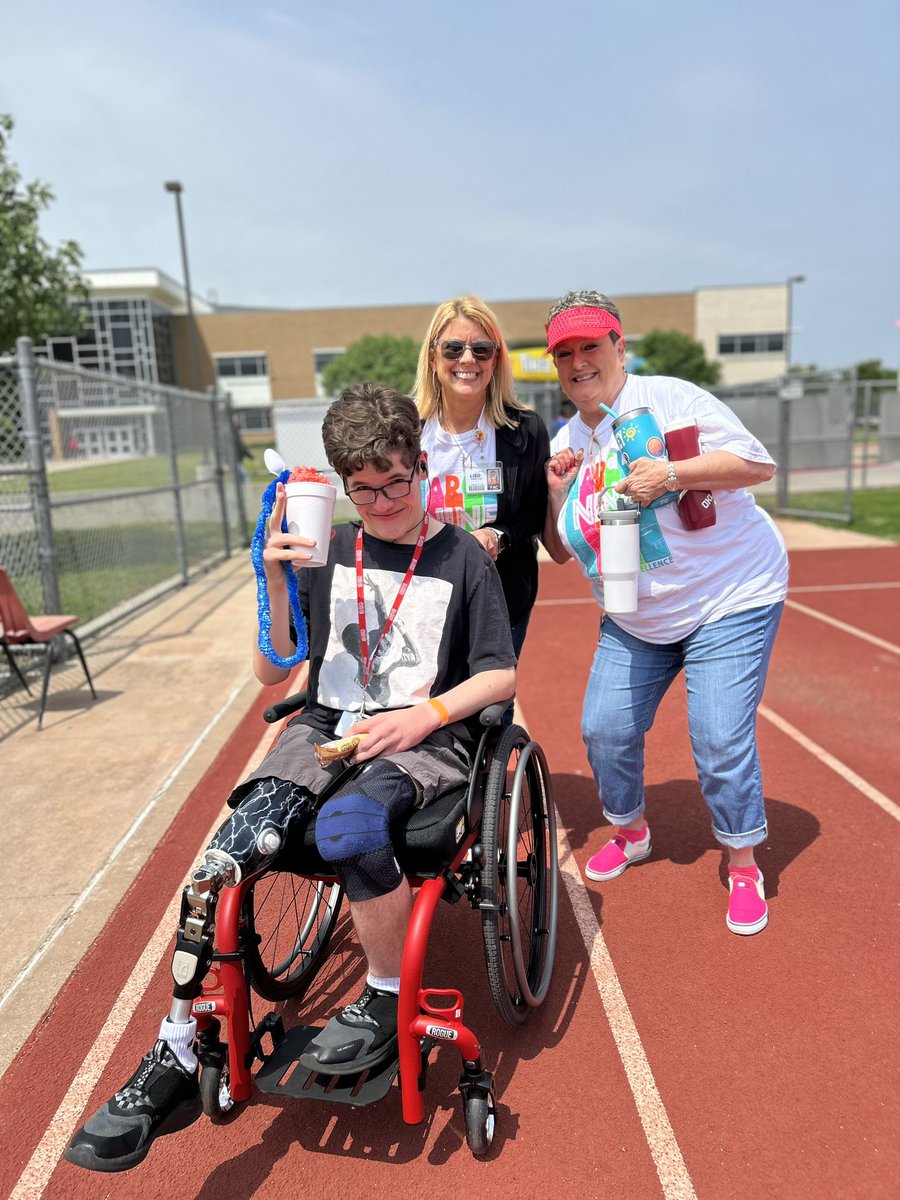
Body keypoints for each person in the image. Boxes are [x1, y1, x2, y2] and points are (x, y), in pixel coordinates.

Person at [65, 384, 516, 1173]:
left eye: (395, 483)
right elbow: (274, 671)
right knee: (223, 858)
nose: (379, 502)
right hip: (325, 727)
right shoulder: (329, 547)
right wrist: (272, 581)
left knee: (346, 830)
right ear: (342, 484)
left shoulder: (462, 557)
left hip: (420, 736)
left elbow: (500, 677)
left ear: (421, 466)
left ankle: (381, 992)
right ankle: (172, 1049)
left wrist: (425, 715)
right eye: (362, 488)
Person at [541, 290, 788, 937]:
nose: (578, 363)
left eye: (590, 346)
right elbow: (565, 552)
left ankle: (742, 862)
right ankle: (632, 832)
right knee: (605, 729)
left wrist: (671, 474)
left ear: (619, 345)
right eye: (564, 354)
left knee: (717, 735)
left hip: (728, 596)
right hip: (637, 615)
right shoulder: (570, 438)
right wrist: (559, 493)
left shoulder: (672, 399)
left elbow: (757, 464)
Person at [414, 296, 550, 664]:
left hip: (501, 601)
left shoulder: (524, 431)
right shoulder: (408, 431)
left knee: (492, 711)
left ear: (495, 359)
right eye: (453, 348)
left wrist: (497, 536)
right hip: (423, 599)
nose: (467, 360)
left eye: (482, 349)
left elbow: (536, 513)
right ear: (432, 356)